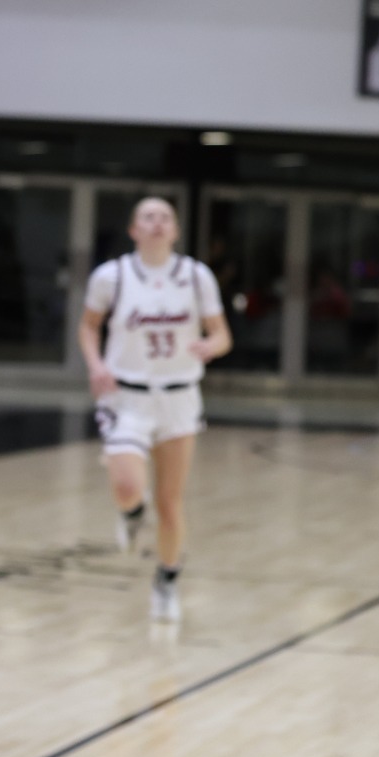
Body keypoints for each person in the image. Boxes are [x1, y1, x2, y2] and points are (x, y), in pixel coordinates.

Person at [77, 197, 231, 621]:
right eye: (149, 217)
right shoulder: (112, 276)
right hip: (127, 396)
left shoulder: (196, 277)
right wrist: (95, 366)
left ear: (176, 231)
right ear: (133, 230)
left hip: (179, 397)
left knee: (169, 501)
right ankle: (130, 513)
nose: (158, 223)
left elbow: (222, 335)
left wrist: (209, 346)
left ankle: (166, 578)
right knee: (127, 485)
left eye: (166, 218)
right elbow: (89, 326)